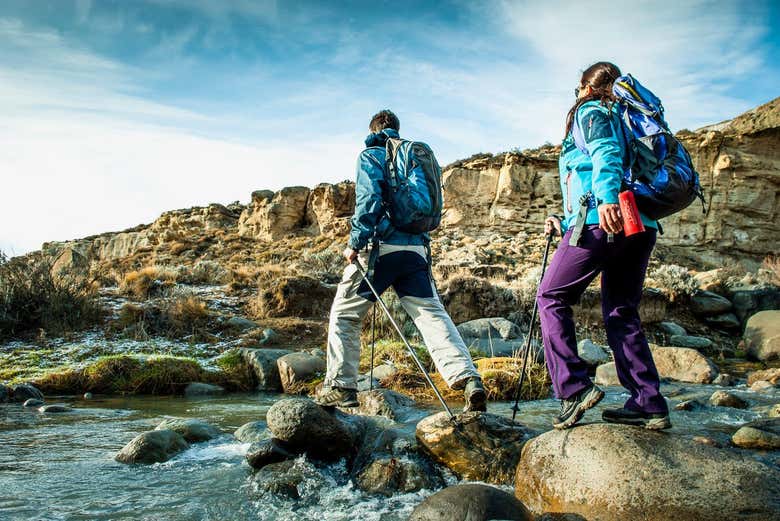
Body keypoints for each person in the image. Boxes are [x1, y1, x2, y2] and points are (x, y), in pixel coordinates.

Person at [314, 109, 486, 412]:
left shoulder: (372, 155)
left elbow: (368, 200)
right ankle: (469, 379)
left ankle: (341, 386)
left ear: (372, 130)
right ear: (396, 129)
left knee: (345, 315)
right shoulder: (415, 157)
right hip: (416, 252)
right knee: (432, 316)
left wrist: (354, 243)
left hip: (379, 252)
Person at [537, 62, 671, 430]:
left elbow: (604, 153)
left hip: (603, 219)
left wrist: (608, 198)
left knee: (550, 297)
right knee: (621, 311)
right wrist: (563, 221)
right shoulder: (629, 120)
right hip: (640, 224)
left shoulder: (592, 109)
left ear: (585, 86)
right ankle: (648, 402)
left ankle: (574, 389)